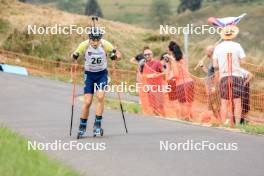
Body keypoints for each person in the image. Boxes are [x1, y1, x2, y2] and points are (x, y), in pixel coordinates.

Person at [72, 27, 121, 138]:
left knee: (100, 97)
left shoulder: (105, 44)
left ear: (100, 39)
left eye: (97, 40)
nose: (94, 42)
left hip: (101, 75)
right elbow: (74, 54)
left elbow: (118, 55)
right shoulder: (84, 45)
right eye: (92, 40)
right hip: (89, 75)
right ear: (89, 39)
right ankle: (82, 126)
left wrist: (115, 56)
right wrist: (74, 56)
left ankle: (97, 125)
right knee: (88, 102)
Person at [213, 25, 246, 126]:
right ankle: (236, 125)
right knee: (237, 103)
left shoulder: (218, 47)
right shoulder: (238, 46)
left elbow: (215, 65)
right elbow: (243, 62)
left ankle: (223, 124)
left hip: (224, 76)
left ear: (223, 36)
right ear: (233, 35)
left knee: (224, 103)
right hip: (236, 76)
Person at [165, 41, 194, 120]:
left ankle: (184, 119)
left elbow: (176, 75)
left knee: (182, 104)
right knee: (189, 104)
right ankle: (191, 120)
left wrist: (169, 78)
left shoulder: (174, 61)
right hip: (190, 82)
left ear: (171, 52)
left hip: (181, 84)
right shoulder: (183, 59)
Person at [141, 47, 165, 116]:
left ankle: (165, 120)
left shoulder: (157, 63)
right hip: (149, 89)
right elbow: (144, 75)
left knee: (160, 107)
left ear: (152, 54)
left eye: (148, 54)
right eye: (145, 55)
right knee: (153, 108)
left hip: (158, 88)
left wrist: (156, 75)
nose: (147, 56)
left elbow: (165, 72)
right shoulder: (145, 64)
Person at [199, 45, 221, 121]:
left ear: (210, 52)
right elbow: (209, 73)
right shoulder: (212, 61)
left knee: (215, 104)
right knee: (210, 104)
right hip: (210, 86)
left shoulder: (215, 62)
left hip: (213, 86)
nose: (205, 53)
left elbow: (216, 75)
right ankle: (213, 118)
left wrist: (214, 86)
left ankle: (218, 119)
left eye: (206, 51)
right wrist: (202, 66)